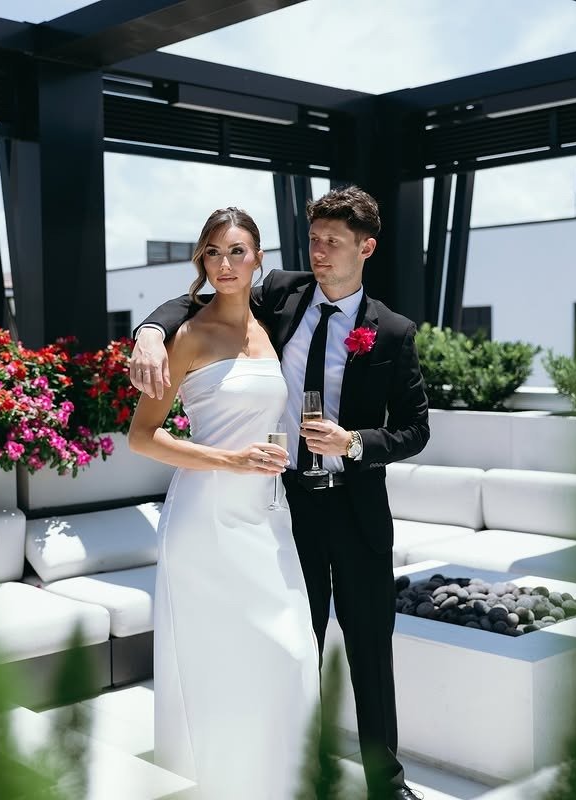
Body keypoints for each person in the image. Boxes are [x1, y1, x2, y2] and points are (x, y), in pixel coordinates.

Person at [131, 186, 430, 800]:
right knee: (296, 650)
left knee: (370, 651)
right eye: (314, 240)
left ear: (366, 248)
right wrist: (150, 330)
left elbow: (415, 430)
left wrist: (353, 442)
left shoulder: (393, 333)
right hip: (284, 507)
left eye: (334, 243)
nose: (319, 253)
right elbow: (210, 287)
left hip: (357, 510)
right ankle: (298, 771)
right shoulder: (281, 295)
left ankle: (387, 783)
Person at [127, 207, 320, 800]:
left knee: (289, 649)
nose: (226, 264)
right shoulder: (187, 334)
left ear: (259, 258)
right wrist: (229, 460)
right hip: (204, 514)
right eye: (214, 253)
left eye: (238, 251)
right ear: (202, 262)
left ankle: (281, 781)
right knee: (222, 657)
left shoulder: (273, 320)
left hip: (267, 511)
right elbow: (142, 436)